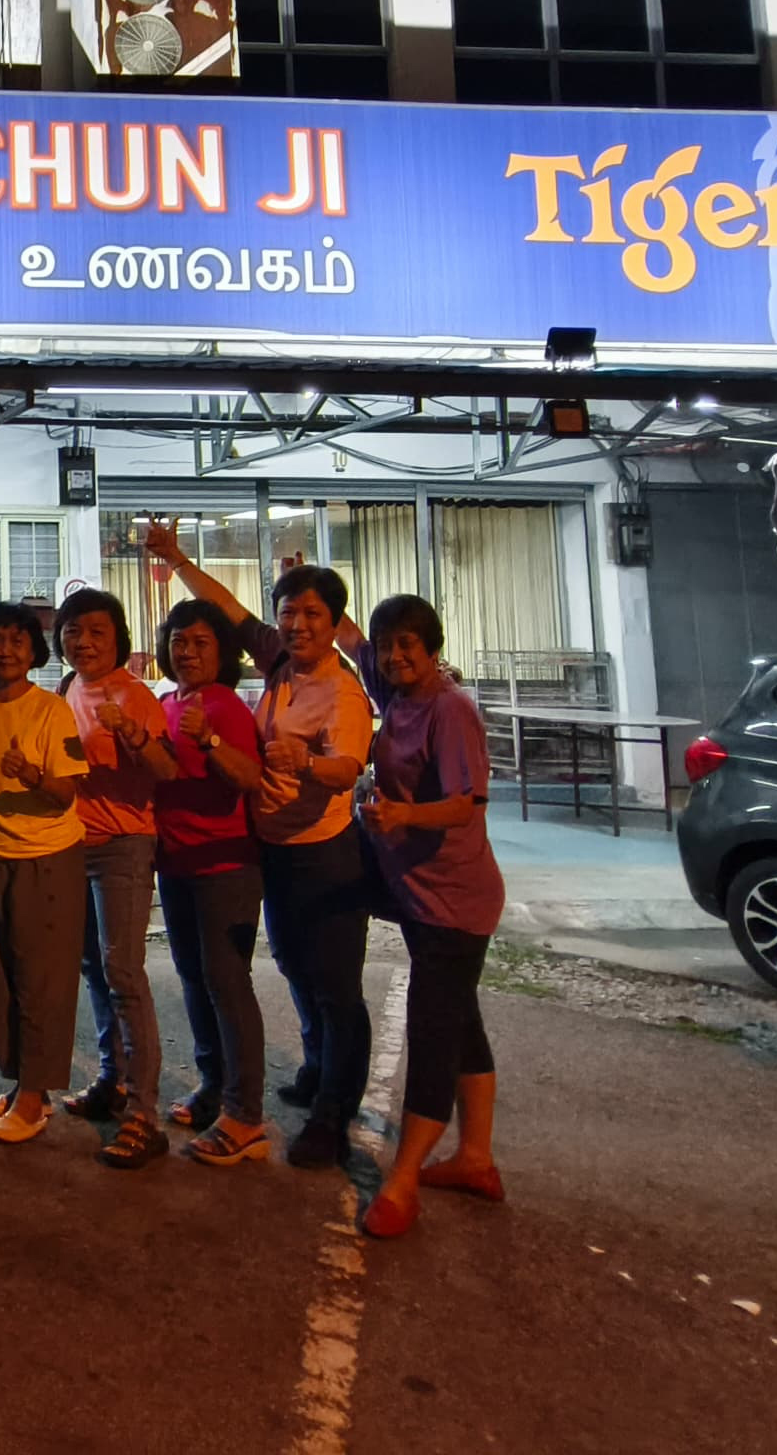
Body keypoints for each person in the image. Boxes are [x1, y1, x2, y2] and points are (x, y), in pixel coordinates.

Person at [148, 524, 376, 1172]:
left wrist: (306, 760)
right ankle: (314, 1067)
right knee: (296, 969)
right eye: (289, 613)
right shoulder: (278, 659)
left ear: (335, 622)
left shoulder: (344, 692)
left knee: (336, 986)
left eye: (312, 614)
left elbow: (347, 768)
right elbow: (228, 610)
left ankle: (333, 1114)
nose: (298, 625)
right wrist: (178, 560)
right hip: (271, 846)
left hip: (325, 853)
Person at [357, 593, 506, 1238]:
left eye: (406, 644)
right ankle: (475, 1159)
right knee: (460, 1023)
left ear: (433, 648)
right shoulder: (396, 695)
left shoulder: (451, 709)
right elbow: (342, 632)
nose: (393, 655)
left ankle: (403, 1180)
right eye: (386, 644)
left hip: (456, 901)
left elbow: (466, 803)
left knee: (431, 1033)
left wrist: (402, 814)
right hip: (421, 896)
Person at [0, 602, 91, 1144]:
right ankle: (23, 1086)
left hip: (46, 859)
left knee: (42, 982)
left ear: (35, 651)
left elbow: (65, 793)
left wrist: (31, 773)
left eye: (17, 640)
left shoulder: (52, 710)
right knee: (2, 981)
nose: (5, 650)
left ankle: (34, 1099)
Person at [54, 588, 178, 1169]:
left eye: (96, 631)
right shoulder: (67, 690)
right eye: (74, 631)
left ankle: (145, 1114)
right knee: (93, 969)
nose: (83, 641)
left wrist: (131, 735)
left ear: (118, 638)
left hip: (124, 846)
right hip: (73, 846)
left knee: (124, 972)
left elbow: (165, 770)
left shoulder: (135, 695)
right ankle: (113, 1079)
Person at [152, 598, 274, 1167]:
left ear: (222, 651)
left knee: (228, 984)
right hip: (176, 865)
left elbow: (250, 778)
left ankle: (246, 1114)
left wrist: (211, 743)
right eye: (179, 641)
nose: (188, 652)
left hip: (226, 867)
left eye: (201, 642)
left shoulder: (224, 706)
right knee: (195, 982)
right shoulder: (167, 703)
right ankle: (212, 1088)